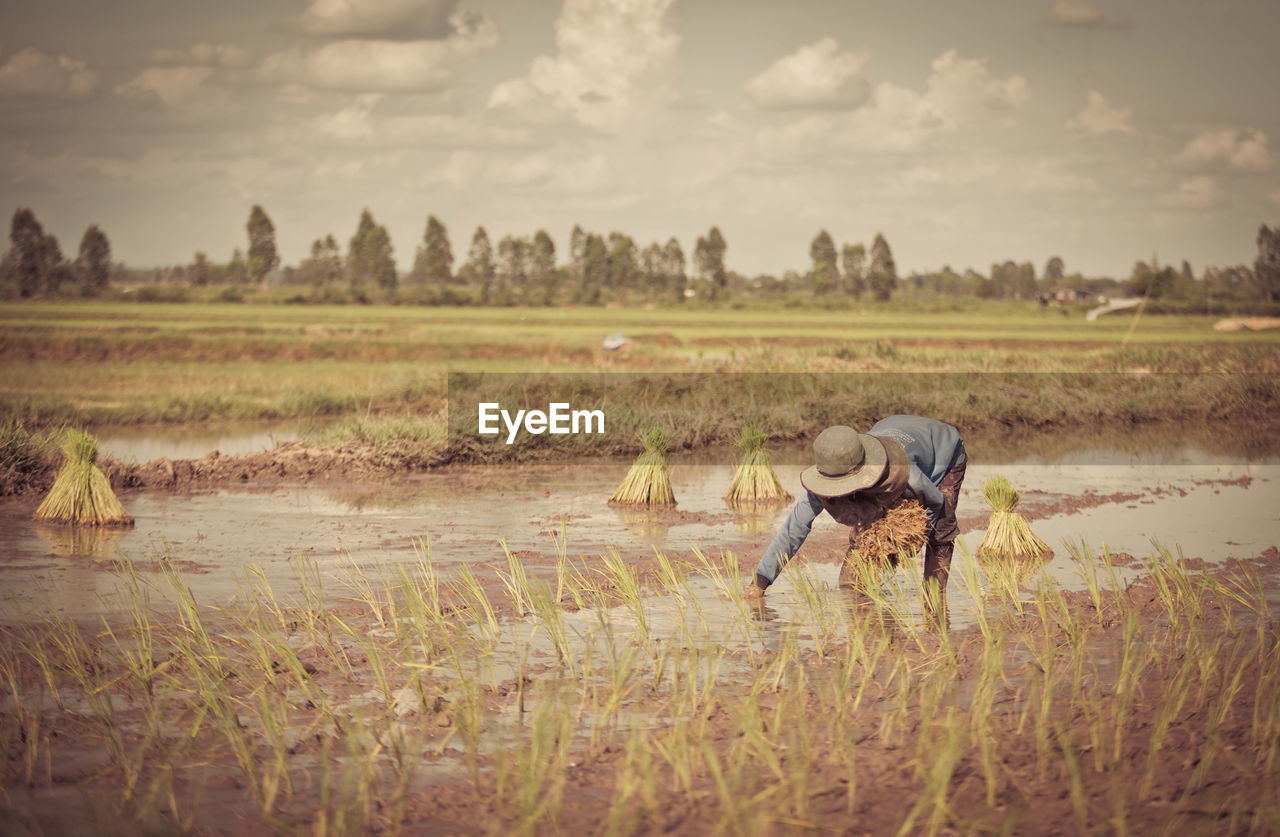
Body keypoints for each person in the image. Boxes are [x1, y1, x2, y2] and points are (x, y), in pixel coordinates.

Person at [745, 415, 966, 602]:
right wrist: (761, 581)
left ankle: (935, 601)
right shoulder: (824, 479)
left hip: (943, 452)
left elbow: (935, 502)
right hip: (892, 432)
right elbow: (794, 529)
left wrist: (915, 538)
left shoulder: (907, 475)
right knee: (859, 557)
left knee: (941, 530)